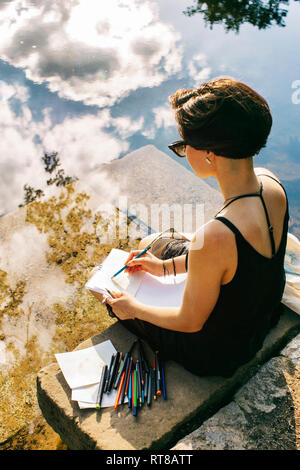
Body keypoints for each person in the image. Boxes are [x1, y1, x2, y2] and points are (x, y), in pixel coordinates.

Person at [91, 77, 289, 377]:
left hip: (219, 352)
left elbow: (190, 321)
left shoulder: (218, 235)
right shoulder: (270, 183)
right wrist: (164, 267)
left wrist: (133, 309)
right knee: (165, 248)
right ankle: (159, 269)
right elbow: (237, 261)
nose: (184, 153)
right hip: (261, 315)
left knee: (110, 295)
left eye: (184, 146)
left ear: (210, 153)